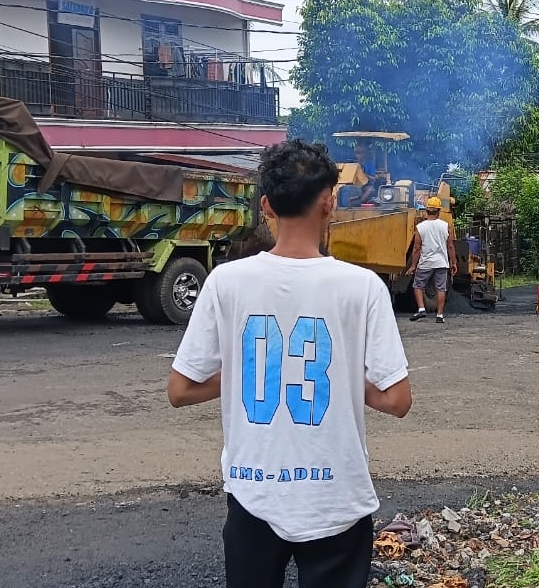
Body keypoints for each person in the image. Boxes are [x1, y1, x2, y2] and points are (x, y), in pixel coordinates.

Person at [166, 139, 413, 588]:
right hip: (336, 496)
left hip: (253, 492)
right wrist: (340, 378)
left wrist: (246, 373)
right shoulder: (363, 287)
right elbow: (397, 400)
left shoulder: (225, 282)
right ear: (329, 203)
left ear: (266, 206)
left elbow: (180, 391)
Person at [407, 196, 457, 324]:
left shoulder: (420, 227)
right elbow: (450, 245)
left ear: (425, 211)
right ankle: (439, 315)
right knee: (441, 288)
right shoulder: (445, 226)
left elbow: (417, 248)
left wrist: (413, 265)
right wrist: (454, 262)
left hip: (425, 263)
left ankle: (421, 309)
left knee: (418, 285)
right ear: (439, 211)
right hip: (441, 262)